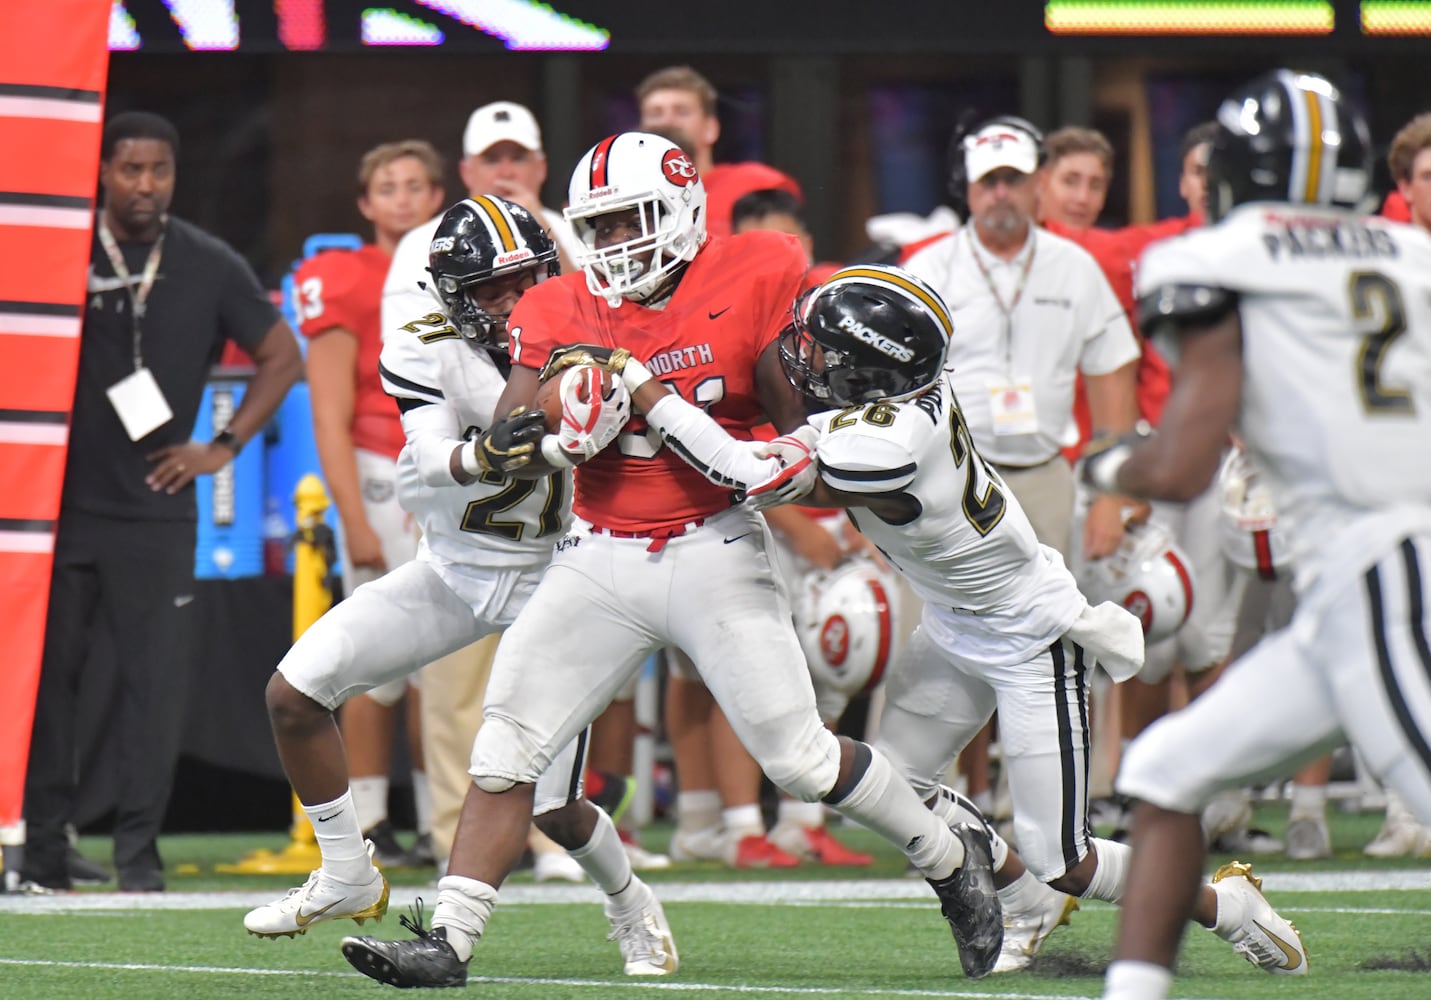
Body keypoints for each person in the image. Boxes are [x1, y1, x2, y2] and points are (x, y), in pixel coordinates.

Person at [340, 131, 1005, 987]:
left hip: (712, 543)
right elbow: (508, 426)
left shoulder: (756, 267)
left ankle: (947, 858)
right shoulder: (558, 302)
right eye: (601, 228)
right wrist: (553, 414)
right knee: (507, 743)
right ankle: (450, 939)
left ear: (684, 210)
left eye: (630, 222)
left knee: (800, 759)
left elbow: (790, 417)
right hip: (597, 553)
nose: (616, 246)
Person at [614, 261, 1308, 981]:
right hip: (953, 622)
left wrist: (648, 391)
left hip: (1029, 634)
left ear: (867, 368)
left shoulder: (884, 444)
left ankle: (1225, 905)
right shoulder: (895, 402)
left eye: (824, 348)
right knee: (890, 790)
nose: (805, 357)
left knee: (1066, 859)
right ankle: (1018, 894)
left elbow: (744, 474)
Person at [246, 195, 677, 978]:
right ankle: (347, 871)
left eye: (528, 281)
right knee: (293, 694)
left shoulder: (597, 330)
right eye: (490, 289)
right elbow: (427, 453)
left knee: (552, 801)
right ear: (452, 295)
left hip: (563, 577)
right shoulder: (420, 342)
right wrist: (492, 454)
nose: (514, 303)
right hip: (453, 567)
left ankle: (628, 902)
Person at [1082, 69, 1431, 1000]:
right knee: (1165, 771)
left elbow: (1182, 464)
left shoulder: (1222, 255)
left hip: (1386, 564)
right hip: (1351, 582)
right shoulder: (1411, 254)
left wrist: (1107, 466)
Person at [21, 111, 303, 892]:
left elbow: (282, 356)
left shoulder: (207, 262)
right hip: (58, 508)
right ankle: (42, 847)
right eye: (130, 170)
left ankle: (138, 857)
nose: (145, 185)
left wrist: (223, 447)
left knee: (156, 688)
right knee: (50, 686)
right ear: (102, 172)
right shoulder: (60, 252)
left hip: (155, 509)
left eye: (160, 171)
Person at [381, 100, 583, 881]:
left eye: (519, 157)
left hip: (554, 494)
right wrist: (446, 460)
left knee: (554, 669)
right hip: (465, 478)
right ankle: (445, 828)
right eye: (490, 158)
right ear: (465, 171)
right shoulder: (422, 250)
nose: (506, 170)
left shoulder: (559, 236)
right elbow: (420, 371)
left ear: (537, 165)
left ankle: (547, 827)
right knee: (455, 676)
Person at [294, 139, 446, 866]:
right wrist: (352, 515)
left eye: (416, 185)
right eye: (388, 186)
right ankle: (370, 821)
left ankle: (437, 814)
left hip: (444, 470)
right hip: (381, 471)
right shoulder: (343, 277)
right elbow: (328, 411)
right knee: (377, 660)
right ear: (365, 203)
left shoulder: (453, 268)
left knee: (441, 663)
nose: (402, 198)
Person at [637, 65, 802, 240]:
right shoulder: (625, 196)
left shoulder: (756, 185)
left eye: (682, 112)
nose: (667, 122)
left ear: (711, 128)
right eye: (655, 114)